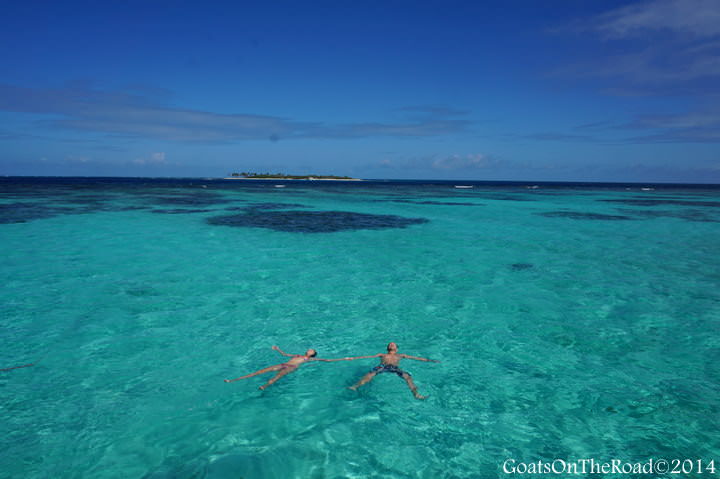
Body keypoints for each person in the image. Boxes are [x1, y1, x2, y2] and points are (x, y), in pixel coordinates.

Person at [224, 345, 348, 390]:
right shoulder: (298, 354)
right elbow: (285, 354)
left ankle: (265, 386)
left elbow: (327, 360)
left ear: (312, 354)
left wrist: (345, 359)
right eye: (310, 349)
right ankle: (234, 380)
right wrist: (277, 349)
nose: (310, 349)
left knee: (277, 376)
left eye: (312, 350)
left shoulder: (310, 359)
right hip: (284, 364)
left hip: (292, 367)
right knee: (260, 371)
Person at [346, 342, 439, 400]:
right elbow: (366, 357)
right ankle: (354, 386)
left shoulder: (400, 355)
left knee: (408, 377)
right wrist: (352, 358)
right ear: (388, 348)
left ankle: (416, 394)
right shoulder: (382, 354)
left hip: (395, 368)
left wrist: (429, 360)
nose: (391, 344)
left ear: (396, 349)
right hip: (382, 366)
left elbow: (416, 358)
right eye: (390, 344)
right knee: (371, 374)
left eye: (393, 344)